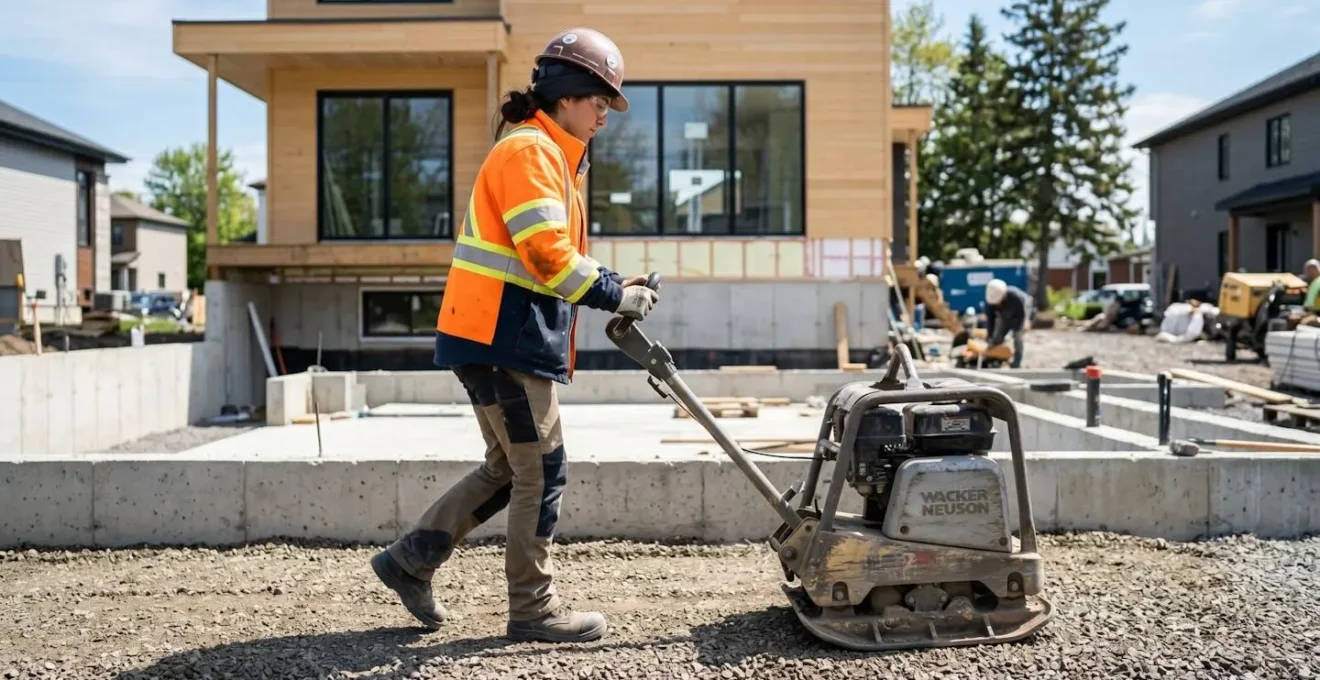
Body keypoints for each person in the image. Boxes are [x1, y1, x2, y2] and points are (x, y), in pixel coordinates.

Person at [369, 27, 659, 644]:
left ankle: (408, 561)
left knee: (508, 468)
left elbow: (544, 255)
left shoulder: (544, 153)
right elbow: (547, 256)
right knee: (543, 471)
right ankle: (534, 610)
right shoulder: (533, 152)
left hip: (488, 335)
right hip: (506, 338)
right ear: (566, 98)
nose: (605, 117)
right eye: (599, 102)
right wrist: (616, 294)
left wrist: (611, 280)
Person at [984, 278, 1032, 368]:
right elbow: (990, 320)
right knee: (997, 337)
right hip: (1005, 318)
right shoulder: (991, 303)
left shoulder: (1015, 295)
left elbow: (1027, 306)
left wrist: (1026, 320)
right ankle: (996, 358)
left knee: (1018, 338)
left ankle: (1017, 362)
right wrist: (989, 336)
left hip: (1020, 317)